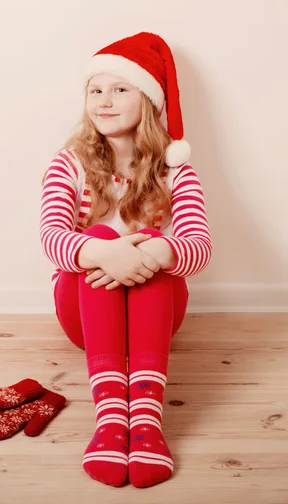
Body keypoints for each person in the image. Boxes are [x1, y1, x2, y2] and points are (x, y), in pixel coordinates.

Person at [39, 32, 212, 488]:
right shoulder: (69, 164)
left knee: (157, 249)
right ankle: (112, 419)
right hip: (84, 314)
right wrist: (104, 250)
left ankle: (148, 419)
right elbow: (53, 238)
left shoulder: (176, 170)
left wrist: (160, 249)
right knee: (96, 233)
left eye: (120, 89)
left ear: (149, 101)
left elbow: (199, 246)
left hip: (155, 318)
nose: (105, 100)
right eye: (96, 90)